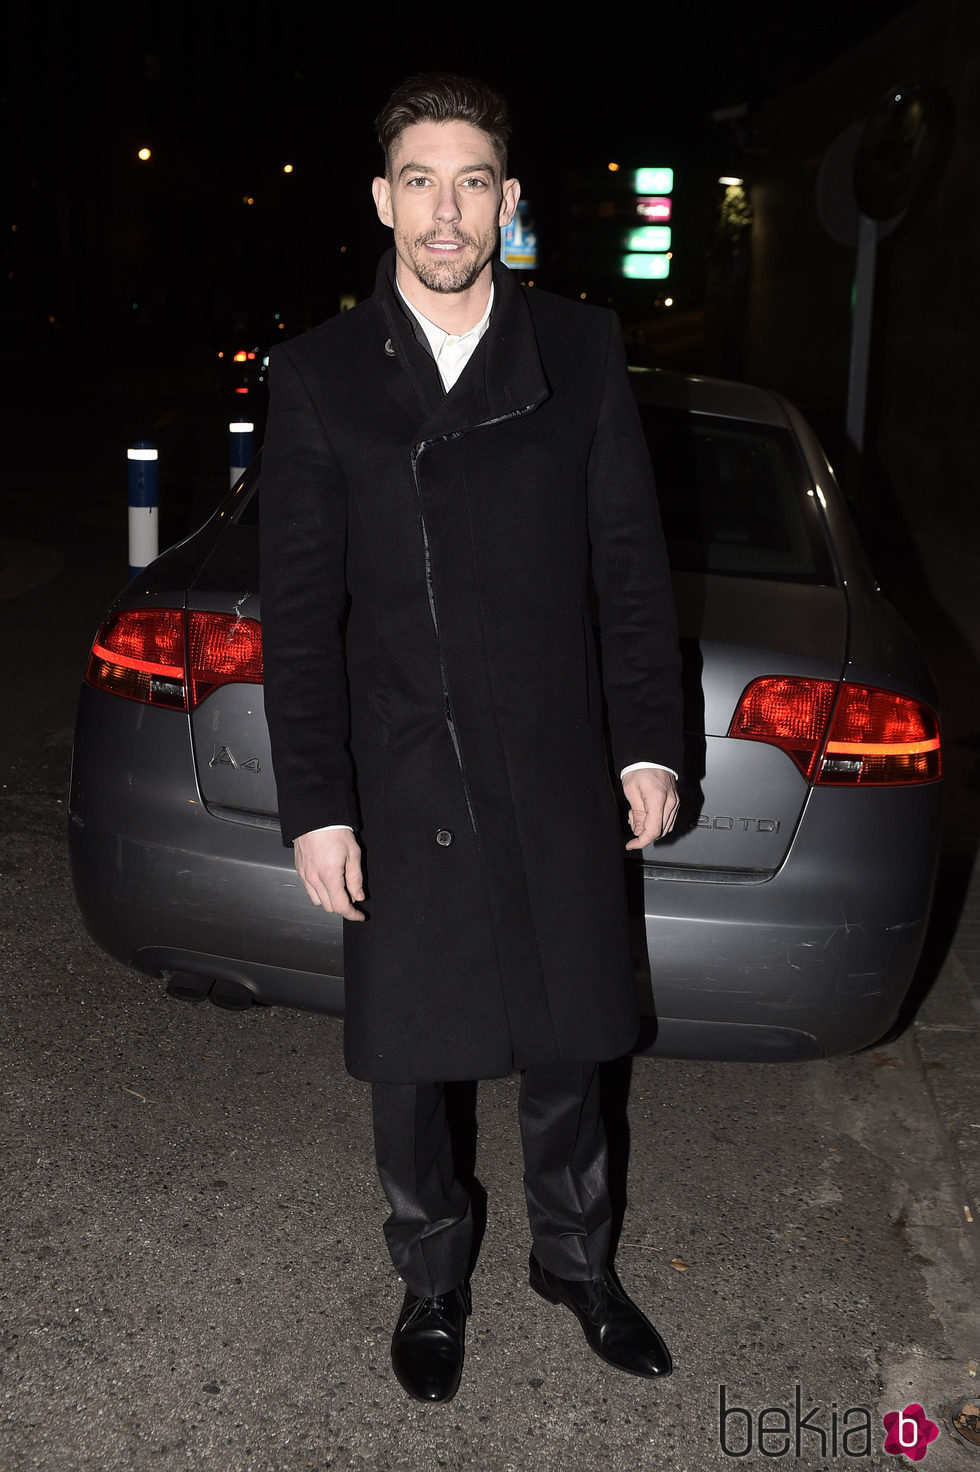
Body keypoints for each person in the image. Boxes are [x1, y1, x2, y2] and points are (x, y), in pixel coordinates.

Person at [259, 72, 684, 1405]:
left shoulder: (579, 348)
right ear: (384, 199)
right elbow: (299, 611)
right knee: (413, 1059)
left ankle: (575, 1260)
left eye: (475, 180)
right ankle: (432, 1276)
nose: (449, 212)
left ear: (507, 196)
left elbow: (630, 567)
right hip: (402, 776)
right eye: (422, 181)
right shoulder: (321, 374)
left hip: (557, 762)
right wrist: (315, 804)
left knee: (572, 1042)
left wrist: (649, 748)